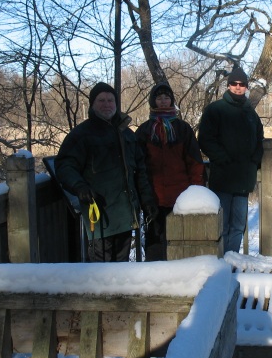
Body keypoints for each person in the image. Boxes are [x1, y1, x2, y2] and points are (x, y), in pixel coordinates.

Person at [55, 82, 158, 262]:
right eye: (101, 100)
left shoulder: (127, 134)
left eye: (110, 100)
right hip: (100, 215)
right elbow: (65, 165)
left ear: (116, 104)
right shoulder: (82, 134)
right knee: (100, 274)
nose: (106, 104)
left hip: (125, 214)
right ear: (93, 104)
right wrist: (79, 186)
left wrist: (147, 201)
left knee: (121, 268)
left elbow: (140, 171)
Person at [198, 66, 264, 254]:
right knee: (223, 225)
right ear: (228, 86)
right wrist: (222, 158)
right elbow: (205, 139)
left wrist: (255, 160)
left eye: (242, 84)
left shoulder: (250, 113)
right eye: (234, 84)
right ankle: (221, 263)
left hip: (244, 178)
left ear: (246, 87)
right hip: (223, 177)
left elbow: (259, 138)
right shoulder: (215, 110)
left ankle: (233, 260)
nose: (237, 87)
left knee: (238, 225)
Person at [135, 82, 205, 261]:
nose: (163, 101)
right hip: (154, 197)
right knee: (155, 242)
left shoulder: (182, 129)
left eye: (167, 98)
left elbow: (194, 162)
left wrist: (196, 191)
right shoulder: (144, 131)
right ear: (153, 101)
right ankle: (154, 281)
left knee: (180, 239)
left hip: (180, 196)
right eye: (159, 98)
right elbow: (138, 165)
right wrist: (143, 197)